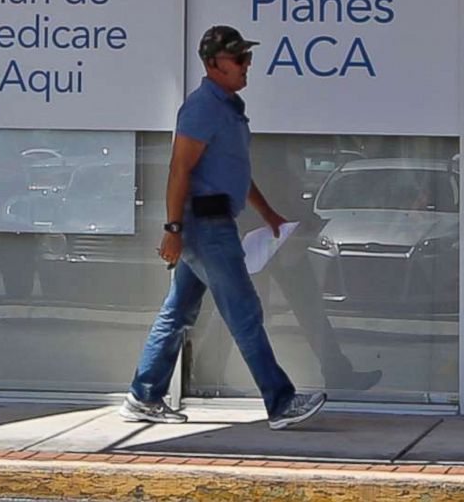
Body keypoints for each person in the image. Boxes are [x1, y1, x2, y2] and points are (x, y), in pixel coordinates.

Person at [119, 25, 327, 430]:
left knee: (178, 309)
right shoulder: (202, 108)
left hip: (213, 221)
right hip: (204, 225)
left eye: (248, 57)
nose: (247, 65)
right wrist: (173, 229)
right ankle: (281, 402)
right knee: (243, 311)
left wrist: (268, 215)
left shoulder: (229, 107)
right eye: (239, 59)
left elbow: (235, 170)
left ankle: (144, 395)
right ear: (213, 64)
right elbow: (180, 168)